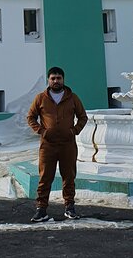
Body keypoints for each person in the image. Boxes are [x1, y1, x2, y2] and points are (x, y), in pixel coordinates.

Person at [26, 67, 88, 222]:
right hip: (48, 145)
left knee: (69, 177)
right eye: (53, 78)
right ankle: (41, 210)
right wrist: (42, 131)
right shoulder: (40, 98)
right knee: (45, 177)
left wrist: (74, 131)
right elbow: (30, 117)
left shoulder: (72, 98)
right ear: (48, 80)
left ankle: (69, 208)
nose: (56, 81)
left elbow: (82, 117)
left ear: (63, 80)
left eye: (58, 78)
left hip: (68, 145)